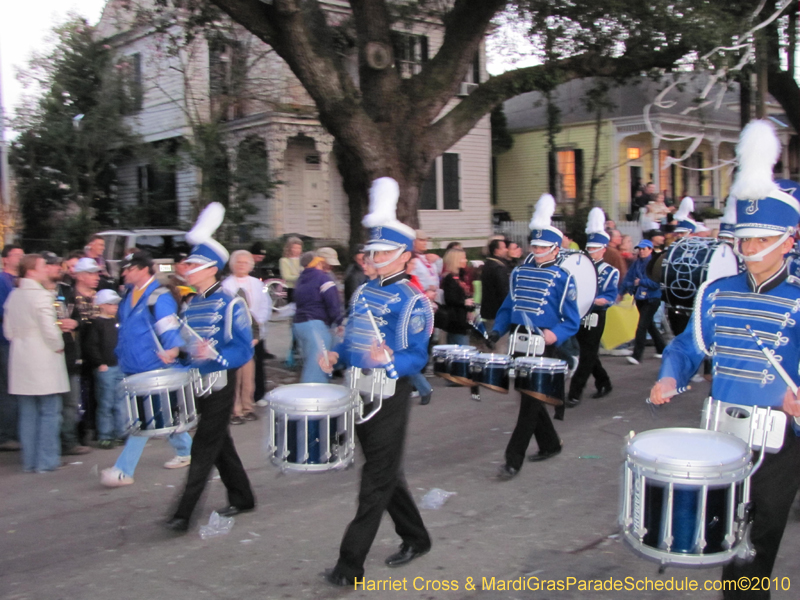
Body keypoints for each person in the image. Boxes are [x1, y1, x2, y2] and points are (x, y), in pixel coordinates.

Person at [650, 120, 800, 599]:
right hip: (723, 438)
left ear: (787, 241)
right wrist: (669, 376)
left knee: (756, 549)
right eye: (746, 239)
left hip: (779, 446)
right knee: (727, 542)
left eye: (761, 240)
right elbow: (688, 347)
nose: (750, 249)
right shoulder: (716, 293)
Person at [319, 178, 433, 586]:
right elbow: (352, 341)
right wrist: (336, 355)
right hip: (357, 390)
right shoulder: (363, 293)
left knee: (374, 483)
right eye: (373, 251)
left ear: (404, 256)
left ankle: (349, 566)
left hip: (388, 395)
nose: (376, 258)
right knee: (384, 476)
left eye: (384, 252)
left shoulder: (413, 301)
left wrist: (390, 361)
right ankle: (417, 537)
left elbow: (418, 354)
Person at [165, 202, 255, 532]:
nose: (186, 268)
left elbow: (243, 350)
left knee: (204, 444)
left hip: (219, 381)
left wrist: (215, 353)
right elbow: (191, 348)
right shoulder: (191, 304)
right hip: (197, 381)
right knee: (220, 443)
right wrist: (181, 353)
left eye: (193, 264)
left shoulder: (231, 303)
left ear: (210, 268)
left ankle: (183, 513)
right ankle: (243, 496)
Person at [487, 194, 581, 479]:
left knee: (528, 401)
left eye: (543, 246)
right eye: (535, 245)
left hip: (544, 342)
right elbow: (507, 308)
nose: (537, 250)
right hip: (518, 339)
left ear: (555, 249)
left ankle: (512, 460)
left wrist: (556, 334)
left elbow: (572, 320)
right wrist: (495, 330)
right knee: (529, 394)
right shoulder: (518, 273)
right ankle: (551, 443)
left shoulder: (565, 279)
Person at [100, 251, 190, 487]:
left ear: (142, 269)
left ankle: (123, 470)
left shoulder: (158, 296)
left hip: (153, 365)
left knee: (143, 418)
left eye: (128, 269)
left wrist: (173, 348)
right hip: (133, 363)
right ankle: (187, 450)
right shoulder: (129, 294)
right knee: (162, 412)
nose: (124, 273)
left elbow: (168, 323)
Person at [4, 254, 70, 473]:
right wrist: (58, 345)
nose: (46, 269)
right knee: (50, 410)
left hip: (21, 357)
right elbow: (50, 329)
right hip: (43, 357)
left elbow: (8, 331)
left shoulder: (14, 296)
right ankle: (47, 460)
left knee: (28, 412)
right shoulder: (41, 296)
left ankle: (30, 461)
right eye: (43, 266)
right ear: (31, 271)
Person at [566, 208, 619, 407]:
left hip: (595, 315)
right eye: (590, 248)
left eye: (596, 249)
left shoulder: (610, 271)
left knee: (587, 354)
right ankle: (604, 381)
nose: (591, 252)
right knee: (589, 352)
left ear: (603, 249)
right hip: (578, 313)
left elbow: (610, 296)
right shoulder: (580, 267)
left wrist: (597, 300)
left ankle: (574, 392)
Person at [40, 252, 90, 456]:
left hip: (69, 354)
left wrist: (75, 322)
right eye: (51, 265)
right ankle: (50, 447)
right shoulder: (36, 292)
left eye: (57, 264)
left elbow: (79, 316)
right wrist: (56, 325)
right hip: (46, 355)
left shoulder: (67, 290)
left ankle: (69, 442)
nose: (57, 268)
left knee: (71, 401)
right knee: (50, 406)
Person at [222, 250, 272, 423]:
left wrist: (258, 327)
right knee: (235, 376)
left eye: (245, 262)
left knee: (249, 376)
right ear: (233, 264)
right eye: (238, 262)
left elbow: (265, 305)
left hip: (252, 333)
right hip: (234, 336)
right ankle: (235, 410)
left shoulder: (257, 284)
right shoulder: (226, 285)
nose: (242, 265)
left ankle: (248, 406)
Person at [292, 248, 343, 384]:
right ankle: (313, 400)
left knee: (310, 361)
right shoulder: (322, 278)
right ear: (318, 262)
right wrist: (338, 322)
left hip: (299, 323)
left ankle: (312, 396)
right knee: (319, 365)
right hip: (316, 324)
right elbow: (333, 302)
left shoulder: (301, 279)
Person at [84, 289, 124, 449]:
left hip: (118, 366)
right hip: (106, 368)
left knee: (120, 402)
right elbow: (90, 345)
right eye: (110, 303)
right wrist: (99, 363)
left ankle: (121, 432)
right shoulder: (96, 324)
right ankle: (105, 435)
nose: (115, 306)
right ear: (100, 305)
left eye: (115, 303)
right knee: (106, 403)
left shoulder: (117, 322)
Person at [619, 240, 665, 365]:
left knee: (642, 326)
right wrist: (621, 292)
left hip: (652, 299)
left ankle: (637, 355)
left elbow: (656, 284)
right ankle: (662, 349)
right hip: (640, 298)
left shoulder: (655, 264)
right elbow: (629, 277)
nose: (641, 251)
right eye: (640, 249)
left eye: (644, 249)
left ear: (650, 250)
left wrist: (640, 282)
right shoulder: (636, 263)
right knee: (649, 324)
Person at [0, 244, 24, 451]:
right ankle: (7, 435)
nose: (20, 258)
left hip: (21, 342)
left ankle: (17, 432)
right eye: (16, 255)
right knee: (9, 387)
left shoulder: (21, 282)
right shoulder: (2, 280)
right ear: (5, 259)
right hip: (6, 341)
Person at [480, 238, 510, 353]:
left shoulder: (488, 265)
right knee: (500, 345)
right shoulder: (498, 268)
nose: (506, 250)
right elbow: (503, 291)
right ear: (496, 251)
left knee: (489, 343)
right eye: (503, 247)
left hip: (488, 311)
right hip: (497, 312)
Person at [279, 236, 303, 302]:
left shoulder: (303, 259)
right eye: (294, 248)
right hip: (292, 289)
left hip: (304, 288)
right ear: (289, 248)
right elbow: (286, 276)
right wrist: (301, 277)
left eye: (299, 248)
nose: (297, 250)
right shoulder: (284, 260)